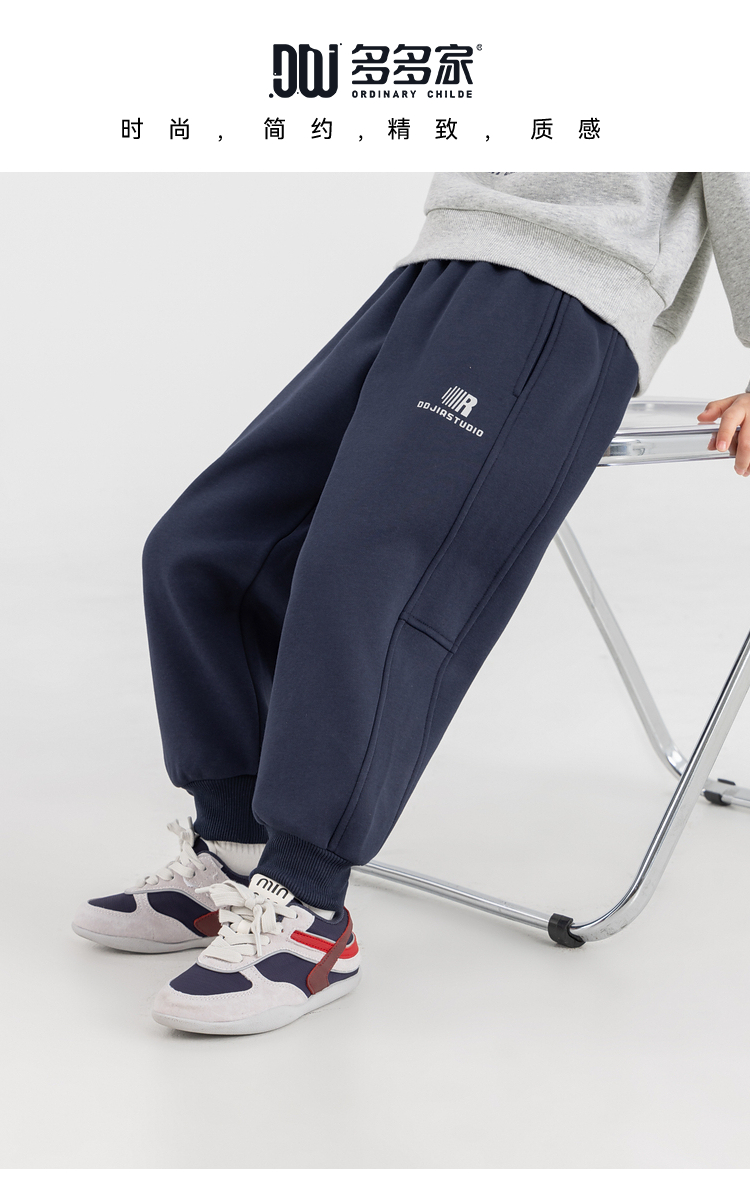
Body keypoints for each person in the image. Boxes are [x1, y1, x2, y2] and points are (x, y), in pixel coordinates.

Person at [72, 172, 750, 1036]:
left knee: (362, 573)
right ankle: (237, 851)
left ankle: (309, 910)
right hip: (439, 267)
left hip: (566, 294)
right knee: (205, 546)